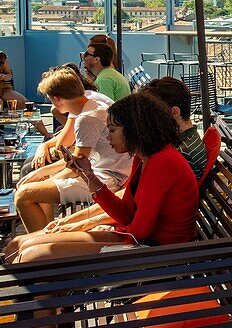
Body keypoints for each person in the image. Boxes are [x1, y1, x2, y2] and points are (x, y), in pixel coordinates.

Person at [6, 92, 199, 261]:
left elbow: (140, 231)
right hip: (137, 241)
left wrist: (97, 229)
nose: (108, 137)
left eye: (113, 130)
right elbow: (126, 214)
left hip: (155, 254)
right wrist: (90, 177)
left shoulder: (162, 163)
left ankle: (49, 300)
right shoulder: (143, 159)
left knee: (31, 255)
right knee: (18, 245)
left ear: (134, 129)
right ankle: (52, 301)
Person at [14, 69, 132, 233]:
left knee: (23, 196)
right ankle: (46, 236)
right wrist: (42, 174)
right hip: (111, 173)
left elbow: (77, 167)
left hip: (108, 179)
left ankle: (39, 244)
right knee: (39, 184)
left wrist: (41, 176)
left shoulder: (87, 118)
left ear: (57, 99)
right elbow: (77, 160)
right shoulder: (92, 103)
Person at [142, 76, 208, 181]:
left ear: (174, 112)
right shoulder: (190, 140)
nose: (150, 119)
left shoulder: (182, 153)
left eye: (154, 113)